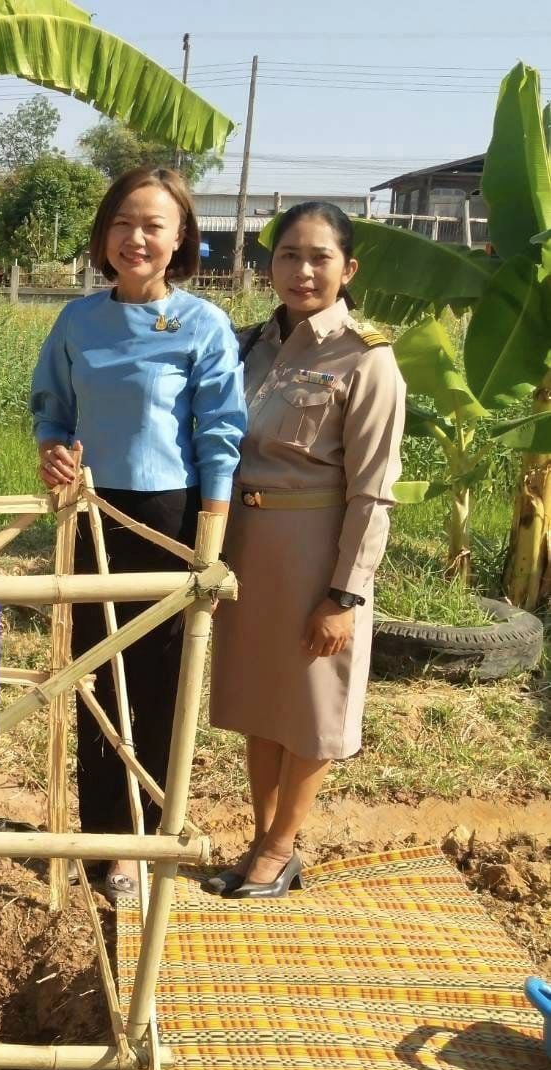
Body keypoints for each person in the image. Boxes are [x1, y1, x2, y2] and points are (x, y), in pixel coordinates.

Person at [31, 166, 246, 901]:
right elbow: (52, 409)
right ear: (104, 235)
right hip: (93, 517)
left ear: (181, 237)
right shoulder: (77, 322)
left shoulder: (203, 325)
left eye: (154, 225)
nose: (136, 238)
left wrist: (211, 535)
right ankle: (101, 838)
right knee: (94, 678)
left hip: (170, 519)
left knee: (157, 683)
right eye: (123, 222)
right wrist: (52, 450)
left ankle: (143, 840)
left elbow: (220, 434)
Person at [207, 202, 404, 899]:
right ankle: (261, 838)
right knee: (260, 698)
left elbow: (373, 491)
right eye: (289, 254)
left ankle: (281, 845)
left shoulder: (366, 358)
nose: (302, 270)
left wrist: (344, 594)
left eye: (320, 257)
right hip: (248, 548)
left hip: (317, 551)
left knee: (313, 706)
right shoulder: (247, 345)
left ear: (348, 269)